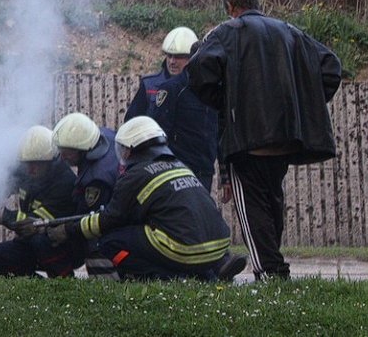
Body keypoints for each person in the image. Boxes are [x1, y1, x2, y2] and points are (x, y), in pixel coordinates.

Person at [187, 0, 342, 281]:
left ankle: (270, 271)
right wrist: (303, 102)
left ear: (230, 8)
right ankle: (273, 267)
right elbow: (331, 68)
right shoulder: (289, 31)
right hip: (285, 139)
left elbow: (198, 68)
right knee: (272, 202)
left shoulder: (227, 32)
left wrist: (225, 101)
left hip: (248, 140)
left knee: (252, 208)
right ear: (257, 3)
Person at [47, 116, 247, 281]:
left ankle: (170, 277)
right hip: (219, 243)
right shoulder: (178, 164)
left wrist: (68, 229)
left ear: (131, 149)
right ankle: (210, 272)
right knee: (152, 235)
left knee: (110, 241)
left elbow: (109, 220)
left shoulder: (135, 175)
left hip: (185, 248)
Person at [125, 26, 219, 191]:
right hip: (163, 167)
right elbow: (132, 124)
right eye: (169, 56)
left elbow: (214, 129)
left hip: (200, 168)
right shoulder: (150, 84)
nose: (172, 61)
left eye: (179, 57)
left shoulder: (206, 87)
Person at [0, 125, 83, 277]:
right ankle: (35, 283)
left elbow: (34, 223)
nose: (29, 169)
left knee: (39, 240)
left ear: (51, 162)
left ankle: (64, 279)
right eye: (26, 163)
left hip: (63, 245)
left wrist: (1, 214)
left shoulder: (65, 182)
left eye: (35, 164)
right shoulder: (26, 170)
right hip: (31, 241)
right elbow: (3, 187)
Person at [51, 112, 122, 277]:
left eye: (67, 153)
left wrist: (66, 230)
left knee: (93, 241)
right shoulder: (103, 137)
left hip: (113, 231)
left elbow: (92, 220)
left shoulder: (97, 179)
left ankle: (105, 286)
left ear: (85, 150)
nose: (61, 158)